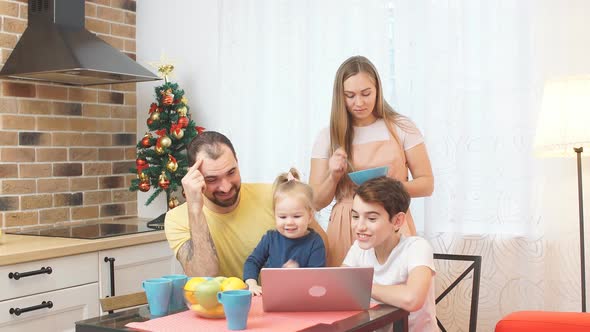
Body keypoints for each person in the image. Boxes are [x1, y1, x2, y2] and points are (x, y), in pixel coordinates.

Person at [309, 55, 434, 266]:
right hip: (346, 226)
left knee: (394, 293)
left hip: (390, 222)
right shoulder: (327, 136)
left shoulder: (402, 127)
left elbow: (427, 184)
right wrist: (334, 176)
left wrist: (389, 188)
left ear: (378, 90)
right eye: (350, 96)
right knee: (346, 295)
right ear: (340, 97)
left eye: (366, 93)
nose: (359, 103)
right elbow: (315, 201)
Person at [165, 131, 328, 278]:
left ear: (237, 161)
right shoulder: (176, 219)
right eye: (212, 179)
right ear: (194, 176)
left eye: (231, 172)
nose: (226, 186)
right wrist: (195, 209)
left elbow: (322, 248)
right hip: (219, 309)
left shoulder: (274, 195)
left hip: (277, 304)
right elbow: (204, 275)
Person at [343, 176, 436, 331]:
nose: (359, 227)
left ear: (397, 221)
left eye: (371, 218)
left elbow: (412, 299)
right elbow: (339, 286)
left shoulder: (417, 247)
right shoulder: (359, 249)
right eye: (355, 216)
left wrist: (360, 285)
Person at [243, 168, 326, 295]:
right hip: (272, 297)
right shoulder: (270, 239)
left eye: (297, 216)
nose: (289, 222)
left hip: (303, 300)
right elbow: (252, 262)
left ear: (310, 216)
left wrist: (297, 275)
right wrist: (252, 284)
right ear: (275, 215)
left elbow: (318, 280)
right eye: (282, 217)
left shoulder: (315, 242)